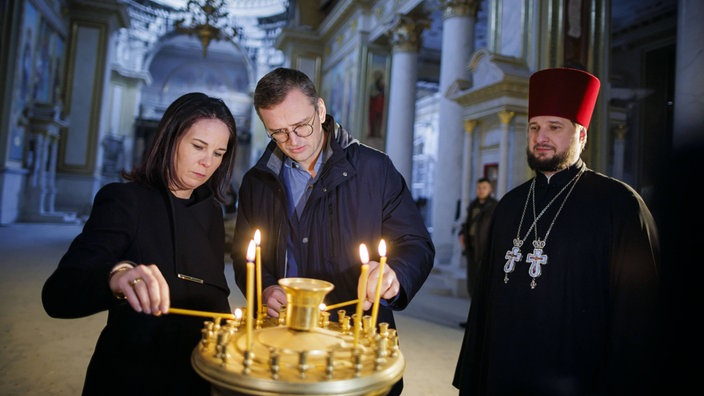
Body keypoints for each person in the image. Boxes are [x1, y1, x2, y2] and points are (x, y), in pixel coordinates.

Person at [453, 68, 660, 395]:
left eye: (554, 127)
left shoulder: (620, 205)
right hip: (503, 373)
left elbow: (638, 316)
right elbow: (484, 304)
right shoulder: (509, 204)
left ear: (582, 136)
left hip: (576, 378)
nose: (540, 137)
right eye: (534, 127)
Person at [230, 67, 435, 396]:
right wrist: (265, 288)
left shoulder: (374, 169)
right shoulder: (257, 181)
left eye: (301, 126)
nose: (293, 142)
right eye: (278, 133)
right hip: (284, 337)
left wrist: (394, 275)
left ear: (320, 110)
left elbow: (415, 243)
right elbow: (244, 254)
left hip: (357, 340)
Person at [42, 92, 238, 396]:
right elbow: (58, 295)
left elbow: (213, 294)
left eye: (219, 152)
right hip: (135, 376)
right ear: (170, 138)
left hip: (197, 375)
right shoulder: (124, 201)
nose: (207, 162)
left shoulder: (211, 210)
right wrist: (116, 277)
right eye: (198, 146)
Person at [458, 177, 497, 327]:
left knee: (483, 288)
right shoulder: (473, 205)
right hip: (472, 251)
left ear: (490, 189)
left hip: (485, 252)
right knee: (472, 286)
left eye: (484, 188)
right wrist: (462, 234)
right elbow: (467, 224)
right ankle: (473, 321)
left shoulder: (494, 207)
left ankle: (483, 323)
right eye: (479, 188)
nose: (481, 190)